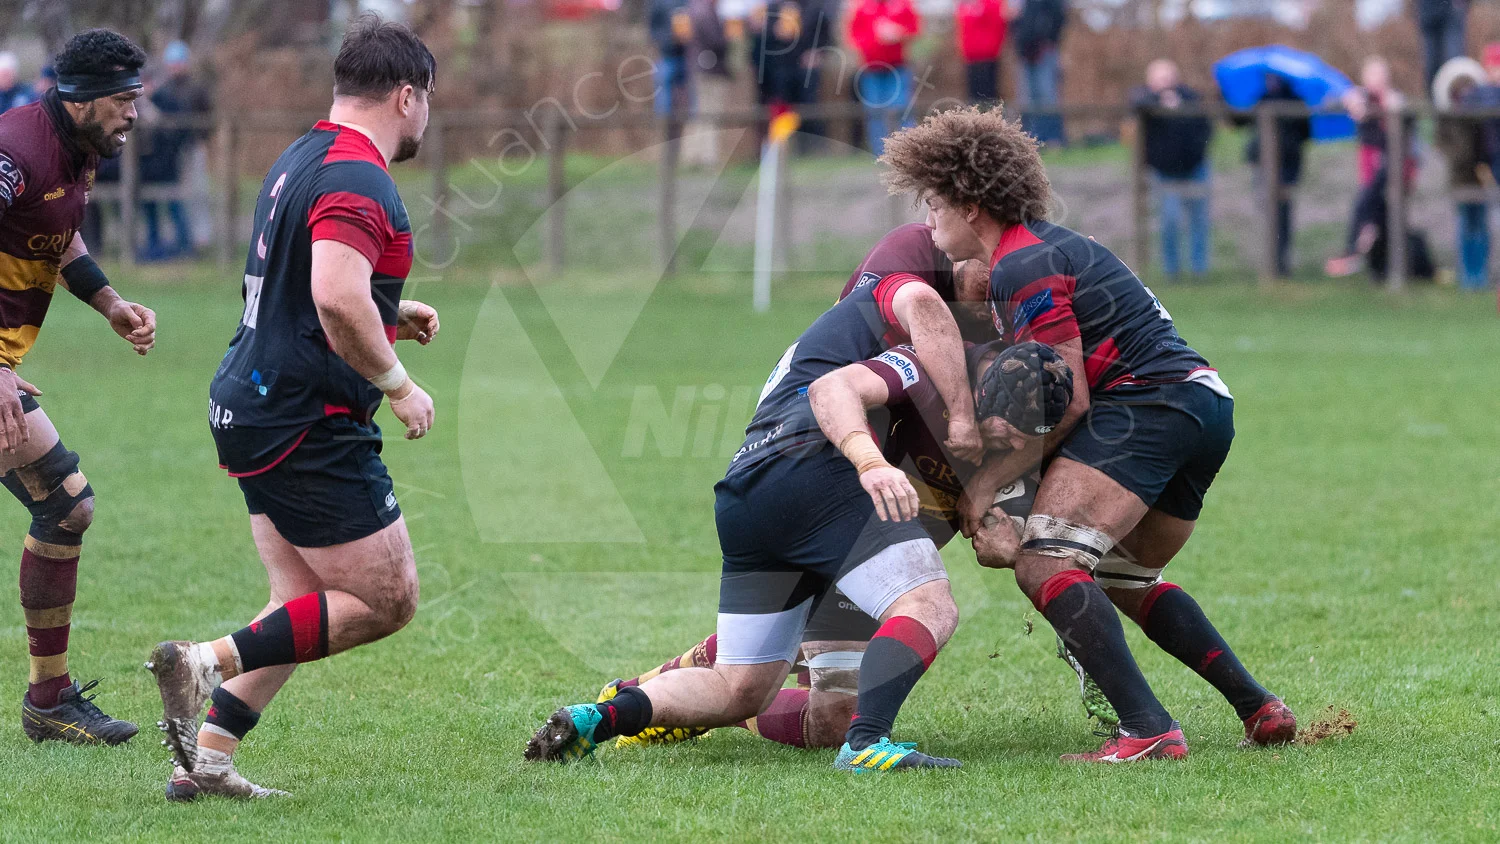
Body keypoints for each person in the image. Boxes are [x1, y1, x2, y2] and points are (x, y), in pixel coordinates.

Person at [881, 106, 1296, 762]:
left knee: (1046, 561)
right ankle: (1259, 708)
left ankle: (1148, 729)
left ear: (971, 205)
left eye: (934, 204)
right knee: (1125, 577)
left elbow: (1069, 399)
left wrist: (989, 484)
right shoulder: (1038, 252)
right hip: (1203, 404)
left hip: (1148, 404)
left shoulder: (1023, 263)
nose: (928, 222)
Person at [524, 224, 993, 773]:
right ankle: (868, 744)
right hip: (819, 474)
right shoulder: (908, 298)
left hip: (749, 486)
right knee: (928, 603)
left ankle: (600, 718)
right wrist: (877, 459)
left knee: (739, 687)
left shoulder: (840, 333)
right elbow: (892, 336)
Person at [146, 14, 441, 801]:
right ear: (406, 96)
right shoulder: (359, 177)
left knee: (301, 604)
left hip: (254, 402)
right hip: (304, 418)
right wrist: (399, 384)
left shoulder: (302, 156)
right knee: (387, 599)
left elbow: (306, 292)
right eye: (428, 99)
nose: (427, 116)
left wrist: (388, 311)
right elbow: (334, 299)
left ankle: (207, 762)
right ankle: (202, 663)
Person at [594, 341, 1061, 752]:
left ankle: (692, 706)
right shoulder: (928, 368)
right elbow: (837, 386)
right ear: (982, 393)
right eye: (1005, 434)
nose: (1010, 447)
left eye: (1023, 443)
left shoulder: (1030, 433)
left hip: (882, 564)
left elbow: (1011, 535)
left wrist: (1010, 540)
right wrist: (870, 462)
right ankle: (649, 696)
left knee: (830, 720)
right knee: (783, 644)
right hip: (834, 522)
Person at [0, 29, 155, 746]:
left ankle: (49, 699)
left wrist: (109, 302)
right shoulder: (15, 153)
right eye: (123, 100)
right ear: (83, 99)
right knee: (66, 505)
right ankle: (48, 699)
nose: (134, 113)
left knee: (66, 506)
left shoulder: (77, 150)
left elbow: (56, 235)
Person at [1130, 59, 1213, 281]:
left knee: (1199, 220)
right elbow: (1135, 104)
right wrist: (1160, 102)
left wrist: (1180, 108)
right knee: (1169, 220)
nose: (1165, 84)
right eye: (1159, 80)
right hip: (1164, 172)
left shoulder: (1191, 98)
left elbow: (1205, 128)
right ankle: (1171, 271)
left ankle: (1199, 271)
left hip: (1195, 168)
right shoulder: (1144, 100)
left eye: (1168, 78)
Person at [139, 41, 210, 260]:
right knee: (167, 201)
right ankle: (164, 245)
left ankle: (196, 240)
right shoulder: (164, 90)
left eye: (179, 62)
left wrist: (198, 139)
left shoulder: (196, 88)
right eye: (172, 62)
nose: (175, 67)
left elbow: (207, 117)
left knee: (194, 194)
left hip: (190, 148)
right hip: (161, 159)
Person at [1242, 74, 1311, 278]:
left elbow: (1305, 133)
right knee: (1267, 214)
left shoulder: (1296, 101)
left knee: (1283, 216)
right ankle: (1269, 262)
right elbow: (1240, 121)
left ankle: (1281, 263)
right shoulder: (1261, 98)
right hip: (1263, 167)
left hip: (1287, 168)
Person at [1434, 56, 1488, 289]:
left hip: (1481, 175)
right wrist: (1460, 156)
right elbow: (1445, 145)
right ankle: (1468, 276)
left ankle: (1481, 275)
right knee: (1465, 225)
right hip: (1459, 177)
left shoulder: (1481, 116)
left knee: (1480, 226)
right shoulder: (1448, 118)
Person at [847, 0, 920, 155]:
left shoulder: (903, 4)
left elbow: (915, 29)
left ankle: (910, 151)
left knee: (902, 109)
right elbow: (853, 36)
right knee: (874, 113)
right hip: (871, 70)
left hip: (898, 68)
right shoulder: (862, 7)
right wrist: (873, 39)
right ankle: (880, 153)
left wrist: (899, 32)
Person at [1012, 0, 1067, 146]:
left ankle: (1052, 139)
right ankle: (1030, 140)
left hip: (1044, 50)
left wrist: (1048, 40)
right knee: (1027, 98)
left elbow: (1058, 15)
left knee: (1047, 95)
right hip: (1025, 51)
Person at [649, 0, 695, 122]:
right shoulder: (659, 3)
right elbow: (652, 30)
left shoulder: (690, 3)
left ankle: (690, 124)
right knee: (663, 96)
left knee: (691, 96)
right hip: (667, 55)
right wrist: (670, 39)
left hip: (688, 56)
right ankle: (664, 123)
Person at [955, 0, 1007, 105]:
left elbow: (997, 24)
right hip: (971, 57)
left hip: (987, 56)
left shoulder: (991, 4)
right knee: (973, 95)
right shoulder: (968, 5)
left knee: (987, 93)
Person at [1416, 0, 1469, 92]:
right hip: (1428, 11)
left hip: (1452, 10)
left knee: (1453, 60)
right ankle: (1433, 96)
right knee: (1431, 63)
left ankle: (1459, 95)